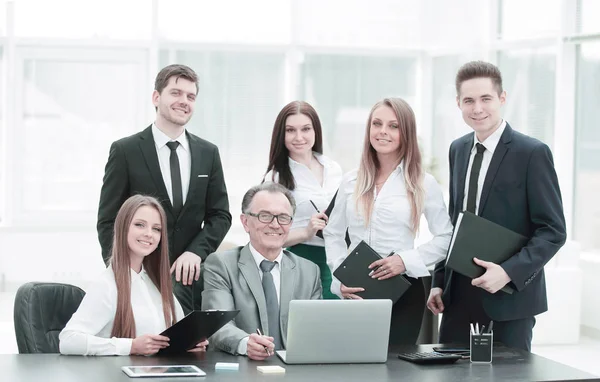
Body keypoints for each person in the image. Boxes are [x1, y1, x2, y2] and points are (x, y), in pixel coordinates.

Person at [427, 61, 566, 351]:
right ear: (458, 103)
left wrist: (508, 272)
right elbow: (456, 223)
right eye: (469, 100)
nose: (477, 108)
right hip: (458, 297)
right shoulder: (458, 149)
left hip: (509, 299)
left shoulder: (532, 153)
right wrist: (439, 281)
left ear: (502, 98)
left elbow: (552, 231)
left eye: (485, 99)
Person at [97, 64, 232, 313]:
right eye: (176, 93)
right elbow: (108, 220)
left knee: (188, 348)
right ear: (156, 97)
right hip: (139, 275)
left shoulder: (208, 153)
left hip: (189, 279)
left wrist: (195, 252)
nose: (184, 101)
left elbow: (220, 215)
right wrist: (122, 270)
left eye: (191, 96)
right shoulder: (125, 151)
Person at [324, 97, 453, 345]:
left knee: (396, 370)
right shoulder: (351, 181)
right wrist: (340, 279)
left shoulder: (423, 183)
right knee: (354, 365)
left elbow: (446, 238)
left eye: (393, 126)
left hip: (403, 291)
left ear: (406, 133)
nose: (383, 132)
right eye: (377, 124)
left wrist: (404, 261)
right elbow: (333, 233)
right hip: (356, 291)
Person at [60, 195, 209, 356]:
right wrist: (131, 346)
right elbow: (68, 341)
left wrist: (189, 343)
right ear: (123, 227)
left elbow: (173, 335)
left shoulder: (157, 284)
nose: (149, 234)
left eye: (156, 229)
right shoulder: (107, 285)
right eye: (140, 225)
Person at [202, 182, 322, 360]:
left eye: (283, 217)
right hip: (243, 369)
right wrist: (245, 343)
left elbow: (316, 329)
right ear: (245, 222)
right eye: (265, 216)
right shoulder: (221, 264)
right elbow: (217, 323)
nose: (275, 225)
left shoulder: (309, 271)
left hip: (295, 371)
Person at [263, 100, 343, 299]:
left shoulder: (334, 169)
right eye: (290, 130)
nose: (299, 137)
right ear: (282, 135)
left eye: (305, 129)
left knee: (337, 323)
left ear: (315, 131)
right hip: (300, 258)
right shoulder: (275, 178)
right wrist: (307, 232)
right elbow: (266, 237)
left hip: (337, 259)